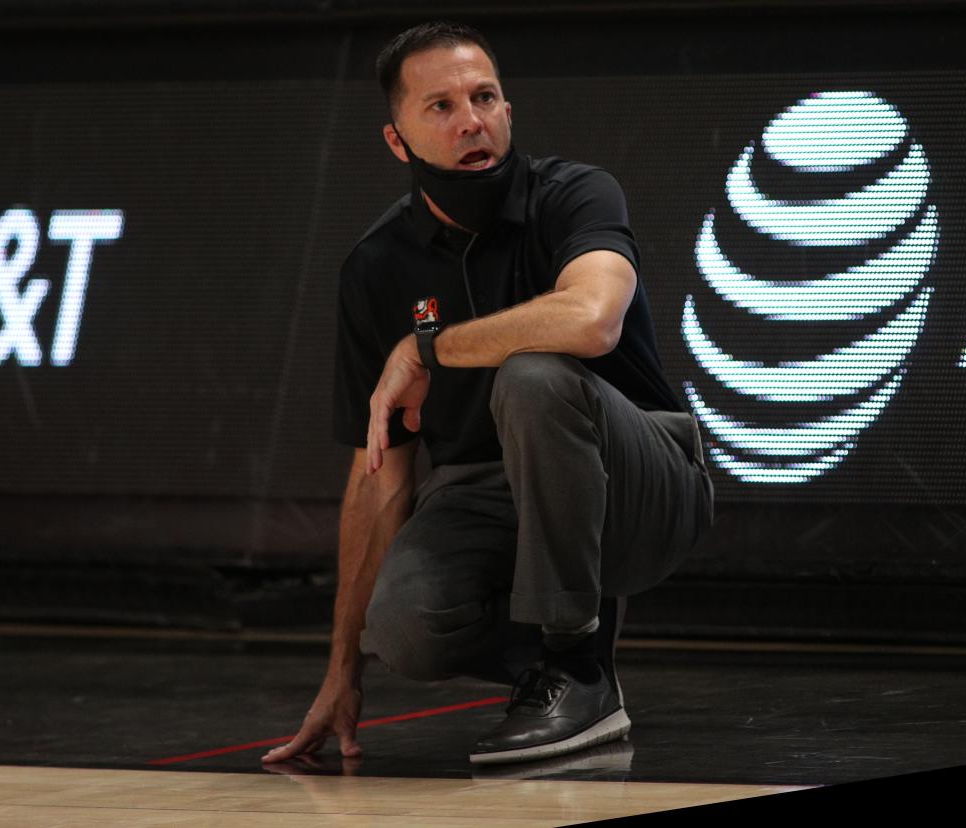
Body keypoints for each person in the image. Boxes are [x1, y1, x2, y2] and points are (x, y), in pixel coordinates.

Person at [263, 20, 714, 767]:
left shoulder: (575, 195)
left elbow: (594, 319)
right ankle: (567, 667)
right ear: (396, 140)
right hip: (486, 496)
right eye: (440, 106)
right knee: (404, 627)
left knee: (534, 375)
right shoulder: (376, 267)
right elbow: (381, 471)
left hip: (642, 479)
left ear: (508, 109)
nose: (471, 119)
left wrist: (429, 347)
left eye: (485, 97)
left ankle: (576, 665)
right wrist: (343, 669)